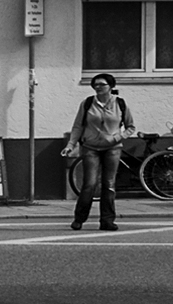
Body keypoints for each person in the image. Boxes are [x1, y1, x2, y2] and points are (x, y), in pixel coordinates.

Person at [64, 72, 133, 232]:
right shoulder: (87, 103)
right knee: (89, 184)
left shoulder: (120, 103)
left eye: (102, 84)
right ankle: (79, 219)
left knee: (109, 184)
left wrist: (117, 137)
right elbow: (78, 126)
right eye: (96, 84)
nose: (98, 87)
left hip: (113, 148)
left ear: (111, 86)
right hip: (90, 147)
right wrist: (71, 144)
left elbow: (130, 127)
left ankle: (107, 221)